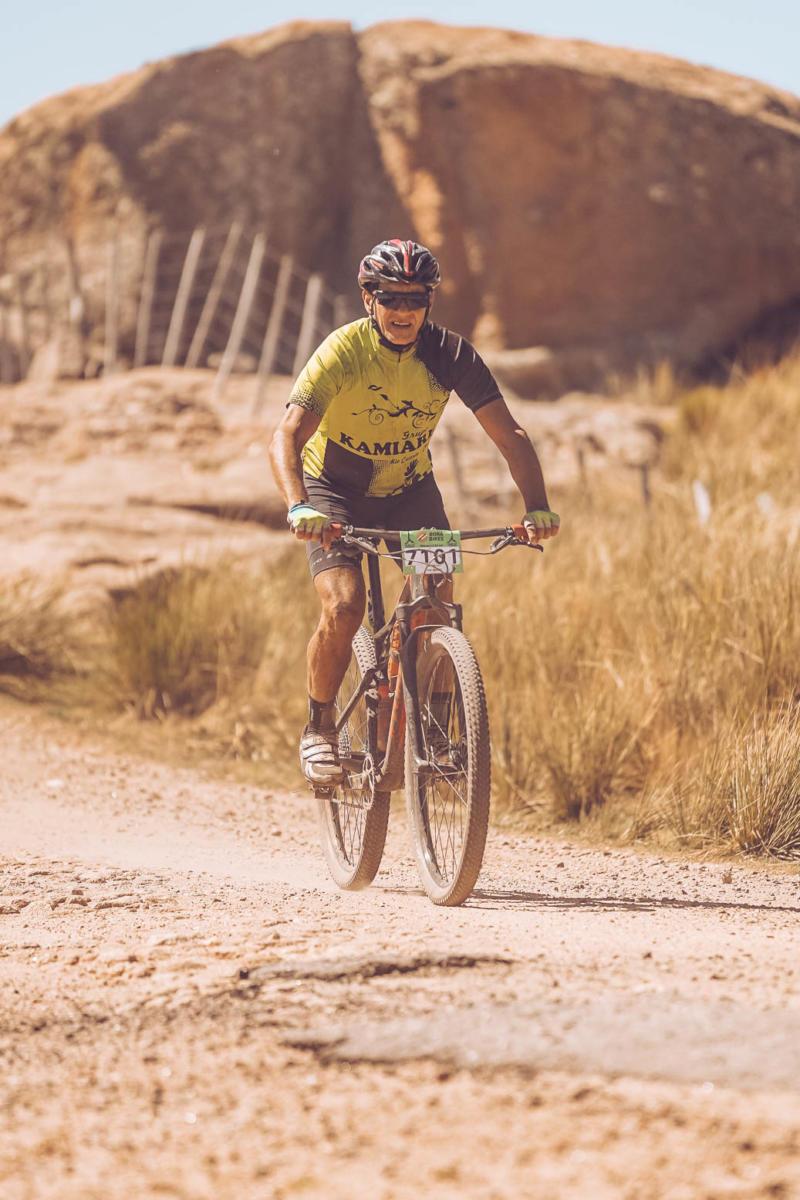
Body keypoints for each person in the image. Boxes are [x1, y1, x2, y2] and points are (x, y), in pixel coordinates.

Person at [269, 239, 560, 785]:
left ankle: (437, 728)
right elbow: (286, 436)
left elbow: (509, 435)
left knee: (437, 598)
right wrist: (299, 505)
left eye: (415, 299)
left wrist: (537, 507)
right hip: (333, 489)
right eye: (391, 298)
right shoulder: (343, 350)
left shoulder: (450, 355)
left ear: (429, 303)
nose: (403, 311)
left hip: (409, 489)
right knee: (345, 605)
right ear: (369, 299)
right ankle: (320, 728)